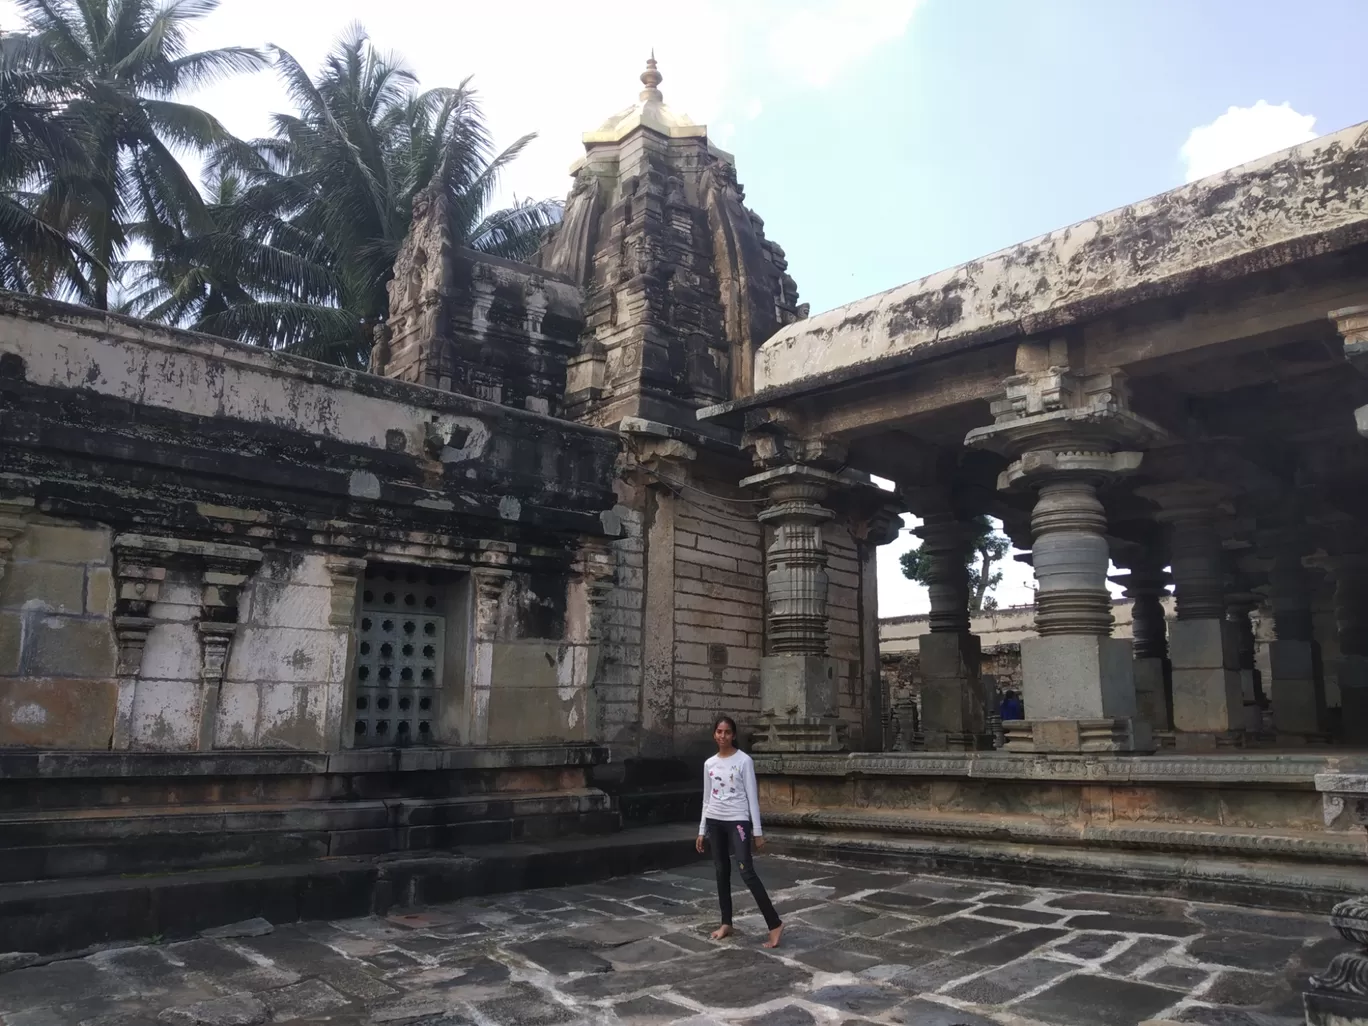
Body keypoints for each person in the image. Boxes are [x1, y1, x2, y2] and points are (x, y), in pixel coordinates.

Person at [695, 715, 783, 948]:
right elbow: (706, 799)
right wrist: (701, 830)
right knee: (721, 871)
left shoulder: (744, 761)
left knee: (746, 871)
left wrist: (757, 831)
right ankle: (726, 922)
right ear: (714, 734)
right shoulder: (709, 764)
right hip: (715, 820)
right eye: (719, 732)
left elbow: (752, 798)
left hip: (738, 821)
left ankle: (774, 924)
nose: (722, 736)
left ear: (733, 735)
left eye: (727, 732)